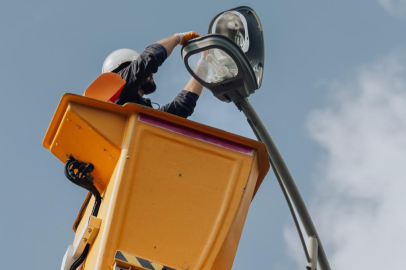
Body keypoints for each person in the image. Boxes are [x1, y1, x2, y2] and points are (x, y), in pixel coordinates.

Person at [102, 31, 209, 118]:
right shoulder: (116, 90)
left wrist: (204, 62)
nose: (151, 73)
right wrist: (178, 38)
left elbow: (182, 107)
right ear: (124, 69)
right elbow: (149, 60)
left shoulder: (145, 113)